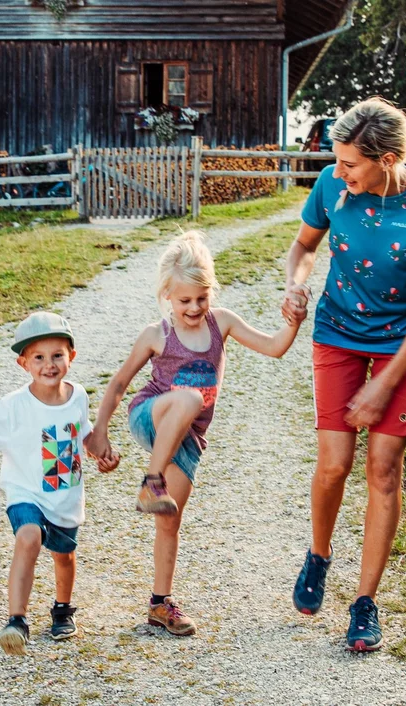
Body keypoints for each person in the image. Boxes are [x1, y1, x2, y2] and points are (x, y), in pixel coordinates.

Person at [280, 96, 406, 652]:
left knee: (383, 469)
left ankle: (365, 603)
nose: (337, 172)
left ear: (387, 160)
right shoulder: (332, 189)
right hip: (336, 335)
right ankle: (319, 553)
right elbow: (302, 248)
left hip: (400, 348)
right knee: (334, 466)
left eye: (349, 163)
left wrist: (384, 382)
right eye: (336, 161)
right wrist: (296, 281)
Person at [88, 231, 305, 637]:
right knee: (188, 398)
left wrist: (292, 324)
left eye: (201, 298)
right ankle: (151, 481)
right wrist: (100, 431)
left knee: (170, 519)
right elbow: (118, 385)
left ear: (211, 293)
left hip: (186, 441)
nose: (194, 307)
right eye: (184, 300)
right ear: (167, 295)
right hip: (150, 414)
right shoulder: (157, 334)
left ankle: (160, 604)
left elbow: (275, 347)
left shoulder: (221, 323)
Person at [0, 312, 119, 654]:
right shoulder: (14, 406)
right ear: (23, 363)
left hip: (65, 497)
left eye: (57, 356)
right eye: (38, 357)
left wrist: (104, 456)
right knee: (29, 536)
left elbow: (84, 438)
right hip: (25, 493)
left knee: (64, 556)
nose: (48, 365)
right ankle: (16, 619)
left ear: (72, 357)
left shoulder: (78, 396)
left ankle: (63, 609)